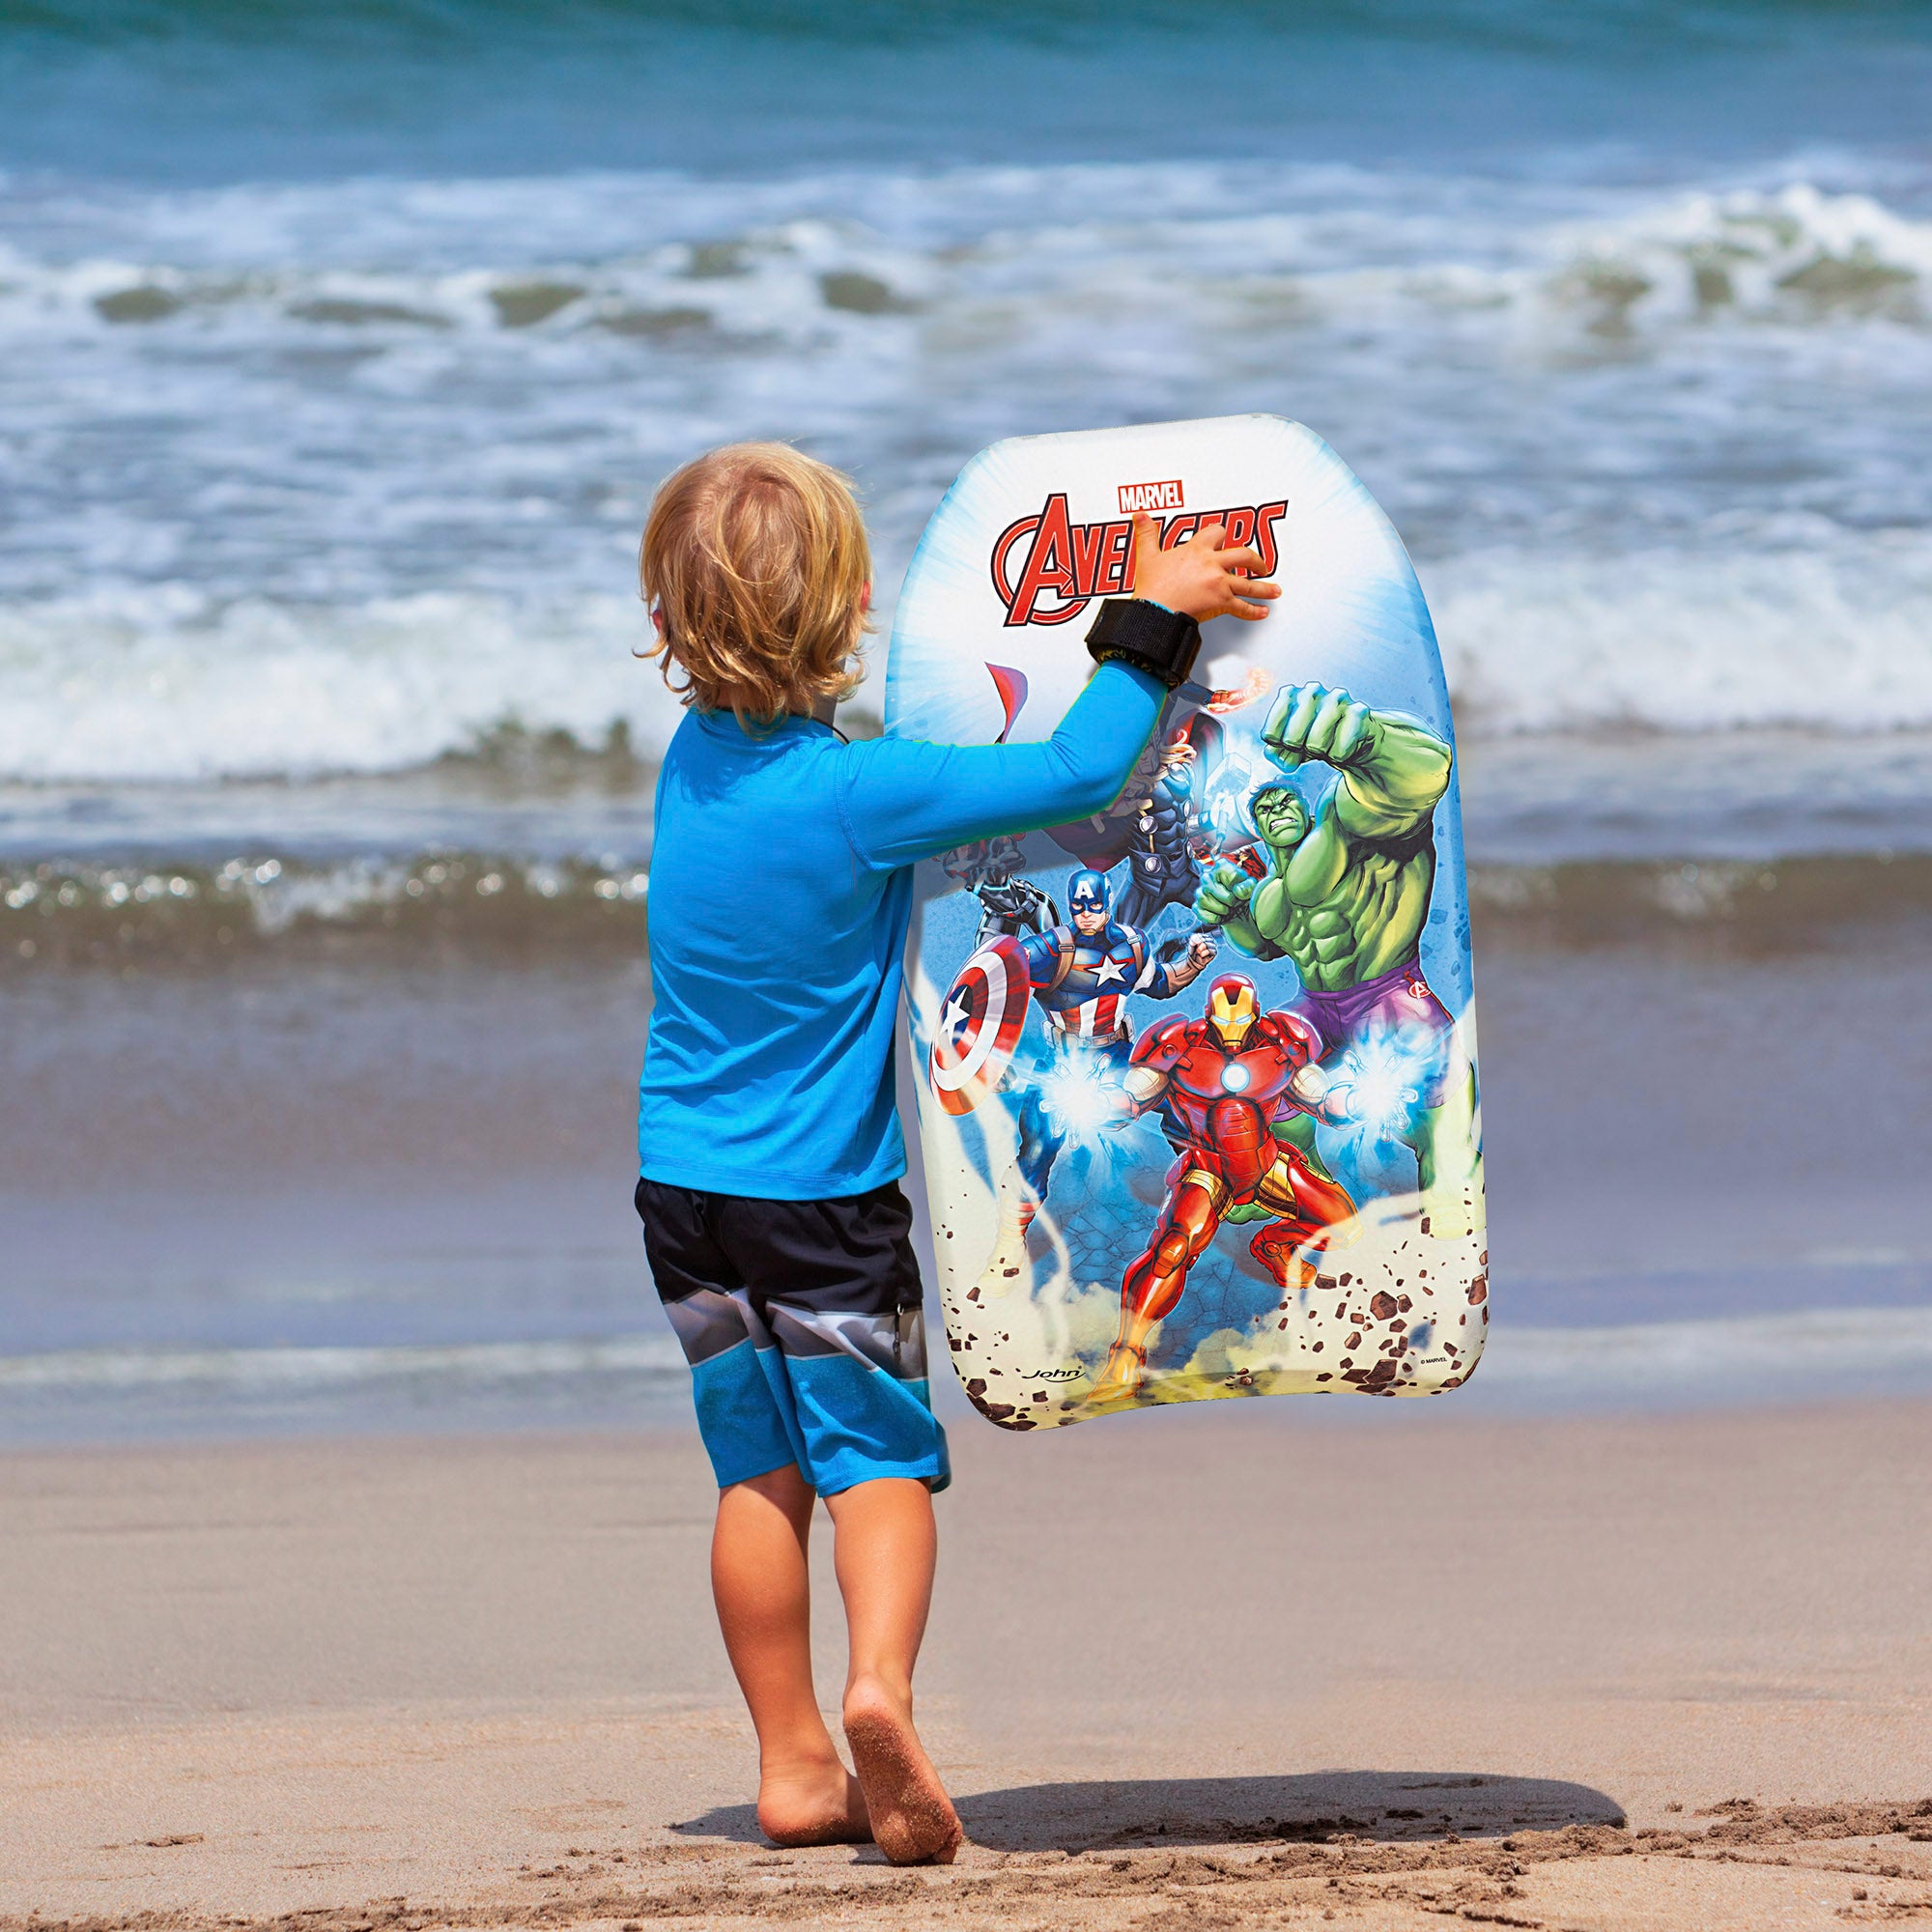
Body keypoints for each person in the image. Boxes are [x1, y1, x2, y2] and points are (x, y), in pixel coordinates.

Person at [632, 441, 1277, 1863]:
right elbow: (1075, 769)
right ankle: (879, 1690)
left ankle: (791, 1764)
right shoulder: (863, 795)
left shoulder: (691, 767)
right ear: (858, 607)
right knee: (877, 1465)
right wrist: (1151, 614)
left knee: (756, 1475)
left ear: (666, 629)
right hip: (820, 1205)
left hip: (680, 1191)